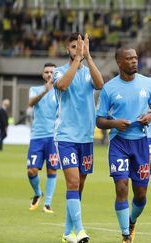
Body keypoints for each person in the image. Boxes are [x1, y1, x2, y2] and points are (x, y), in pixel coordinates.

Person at [96, 47, 151, 243]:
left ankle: (132, 220)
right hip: (119, 144)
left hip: (141, 142)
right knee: (121, 186)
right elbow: (99, 120)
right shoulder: (109, 88)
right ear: (119, 62)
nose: (134, 61)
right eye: (129, 59)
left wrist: (149, 116)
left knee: (140, 194)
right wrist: (114, 123)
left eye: (135, 58)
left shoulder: (147, 83)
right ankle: (125, 235)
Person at [53, 32, 104, 243]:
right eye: (74, 47)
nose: (77, 50)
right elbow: (63, 85)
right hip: (66, 136)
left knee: (79, 185)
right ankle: (81, 230)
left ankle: (67, 232)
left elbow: (100, 84)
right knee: (72, 182)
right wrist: (77, 60)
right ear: (68, 49)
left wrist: (88, 57)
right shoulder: (59, 72)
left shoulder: (87, 71)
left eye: (80, 47)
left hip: (85, 137)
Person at [27, 63, 59, 214]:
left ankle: (47, 203)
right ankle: (38, 193)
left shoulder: (61, 92)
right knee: (31, 171)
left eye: (52, 72)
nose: (49, 74)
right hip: (37, 137)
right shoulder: (35, 90)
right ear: (42, 74)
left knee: (52, 170)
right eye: (46, 72)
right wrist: (44, 92)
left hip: (53, 138)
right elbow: (31, 103)